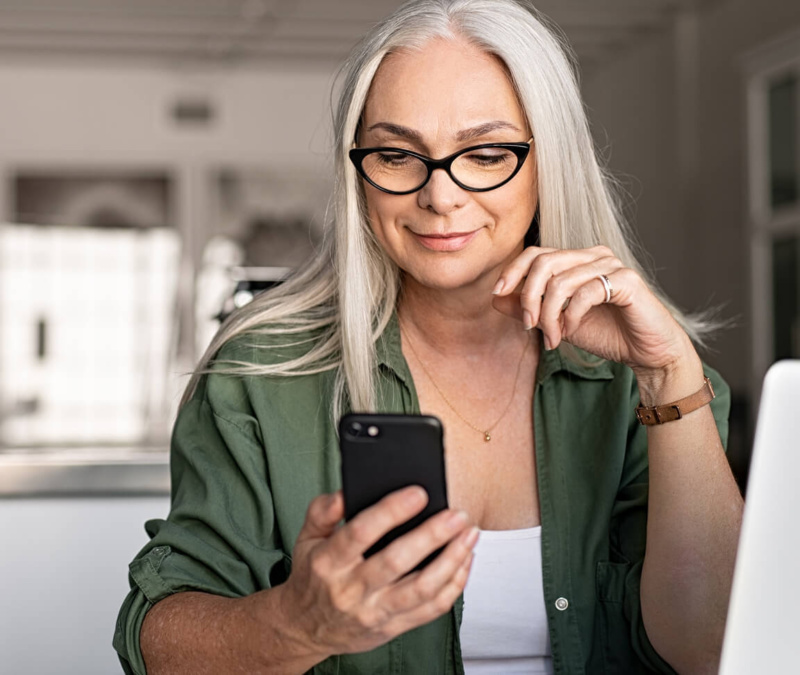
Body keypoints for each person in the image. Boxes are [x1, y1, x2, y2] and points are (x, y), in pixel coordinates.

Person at [113, 1, 744, 673]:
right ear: (358, 172)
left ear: (548, 161)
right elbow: (156, 639)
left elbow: (712, 646)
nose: (439, 195)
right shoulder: (260, 374)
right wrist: (295, 623)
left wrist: (671, 372)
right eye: (396, 154)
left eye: (486, 152)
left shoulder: (640, 378)